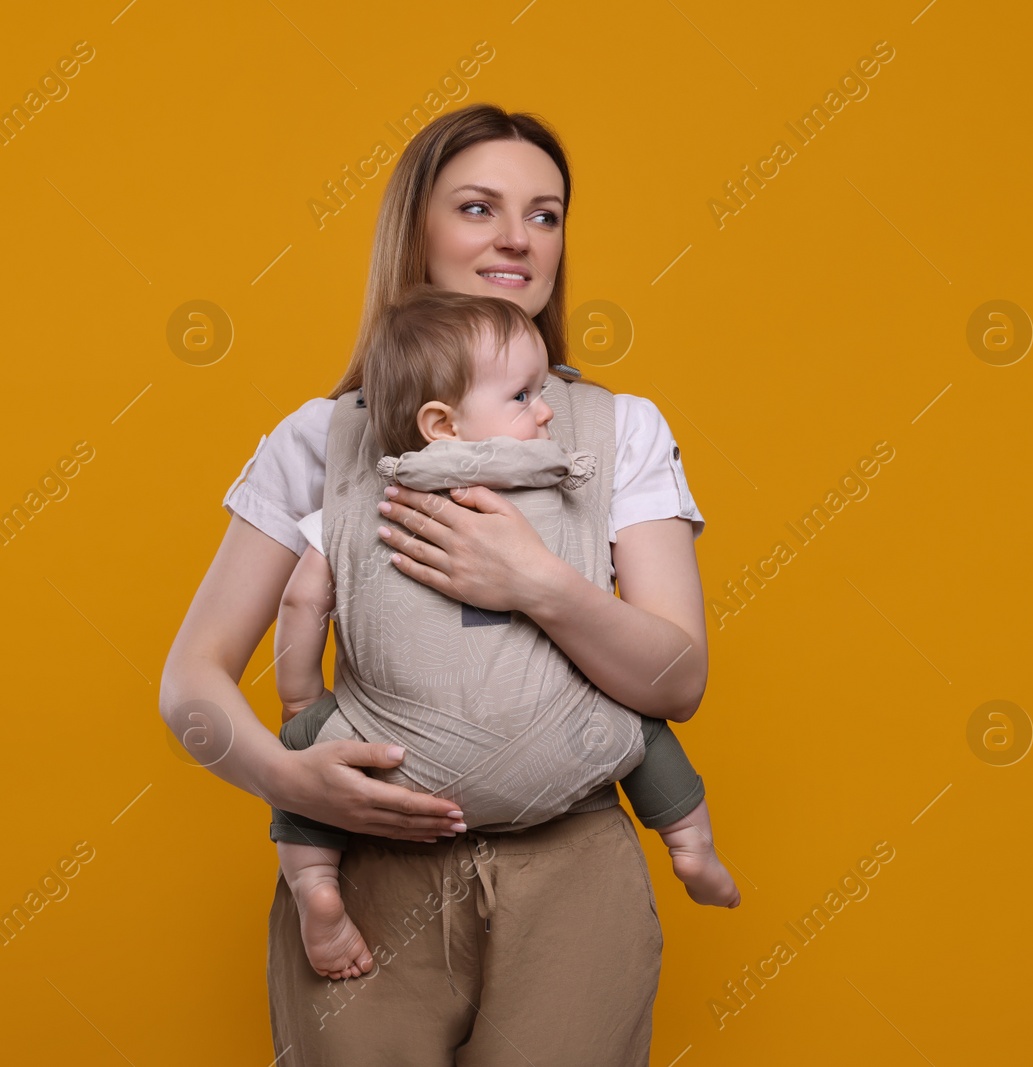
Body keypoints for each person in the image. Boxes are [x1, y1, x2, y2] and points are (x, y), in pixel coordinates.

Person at [160, 102, 711, 1065]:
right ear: (415, 227)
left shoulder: (616, 431)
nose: (517, 238)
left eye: (545, 214)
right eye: (478, 207)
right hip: (367, 875)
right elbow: (190, 685)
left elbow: (677, 683)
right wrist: (289, 778)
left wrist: (540, 583)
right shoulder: (318, 441)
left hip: (571, 868)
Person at [271, 284, 738, 982]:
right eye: (523, 396)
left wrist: (303, 705)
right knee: (638, 731)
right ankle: (691, 843)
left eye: (543, 388)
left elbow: (302, 601)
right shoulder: (567, 481)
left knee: (300, 765)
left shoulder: (370, 497)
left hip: (398, 761)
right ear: (442, 422)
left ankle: (317, 890)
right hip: (562, 744)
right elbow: (665, 683)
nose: (548, 408)